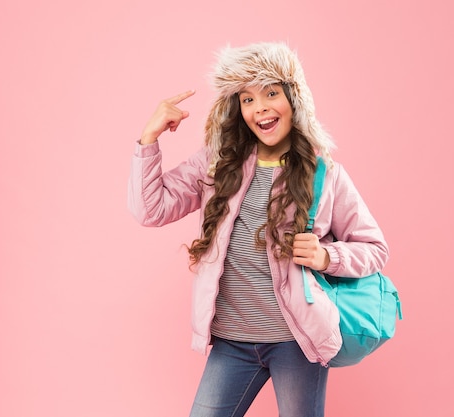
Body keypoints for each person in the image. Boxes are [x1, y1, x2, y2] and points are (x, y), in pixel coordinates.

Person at [128, 42, 389, 417]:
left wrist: (326, 255)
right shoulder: (217, 162)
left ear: (293, 99)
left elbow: (376, 248)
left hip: (297, 341)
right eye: (248, 99)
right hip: (232, 343)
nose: (260, 107)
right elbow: (150, 210)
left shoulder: (323, 173)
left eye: (270, 93)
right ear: (238, 109)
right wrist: (148, 140)